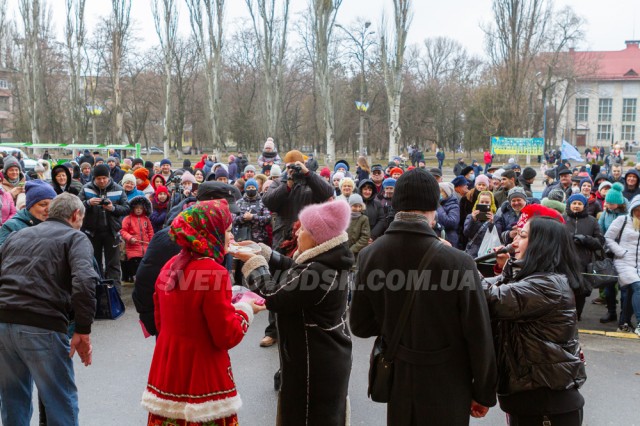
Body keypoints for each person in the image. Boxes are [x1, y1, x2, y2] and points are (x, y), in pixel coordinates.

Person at [350, 169, 497, 425]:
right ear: (433, 206)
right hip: (448, 383)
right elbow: (478, 334)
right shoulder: (458, 261)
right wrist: (484, 391)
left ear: (396, 205)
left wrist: (395, 322)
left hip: (399, 378)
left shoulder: (369, 255)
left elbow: (361, 326)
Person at [141, 200, 264, 425]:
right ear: (211, 232)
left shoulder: (170, 265)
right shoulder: (214, 272)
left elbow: (160, 320)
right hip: (203, 374)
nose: (231, 237)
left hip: (167, 369)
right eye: (227, 230)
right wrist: (246, 309)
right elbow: (226, 335)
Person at [234, 199, 354, 425]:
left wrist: (256, 263)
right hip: (325, 357)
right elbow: (295, 272)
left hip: (315, 364)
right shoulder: (329, 261)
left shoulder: (319, 269)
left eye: (305, 229)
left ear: (318, 237)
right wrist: (266, 254)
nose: (298, 233)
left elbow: (274, 296)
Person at [0, 192, 98, 425]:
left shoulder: (17, 235)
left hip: (4, 321)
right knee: (59, 400)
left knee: (13, 399)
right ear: (76, 215)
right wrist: (83, 329)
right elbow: (85, 282)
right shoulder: (75, 238)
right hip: (42, 324)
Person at [485, 212, 586, 425]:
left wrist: (457, 262)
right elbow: (493, 285)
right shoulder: (528, 277)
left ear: (542, 244)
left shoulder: (548, 285)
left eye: (522, 235)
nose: (514, 241)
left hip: (546, 406)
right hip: (528, 402)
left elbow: (491, 298)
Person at [133, 182, 242, 337]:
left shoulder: (218, 236)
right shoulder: (169, 237)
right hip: (178, 334)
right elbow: (145, 287)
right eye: (224, 212)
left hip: (208, 331)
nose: (228, 218)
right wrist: (160, 328)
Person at [78, 164, 130, 294]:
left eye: (104, 178)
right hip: (91, 232)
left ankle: (115, 294)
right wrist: (88, 203)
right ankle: (97, 292)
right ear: (94, 178)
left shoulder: (118, 189)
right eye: (98, 178)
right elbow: (77, 206)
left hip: (111, 232)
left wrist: (112, 208)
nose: (101, 181)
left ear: (109, 177)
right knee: (95, 263)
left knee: (113, 265)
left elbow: (126, 208)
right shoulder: (86, 189)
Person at [563, 193, 604, 320]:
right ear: (569, 205)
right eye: (574, 203)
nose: (576, 206)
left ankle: (577, 315)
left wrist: (585, 239)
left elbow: (600, 242)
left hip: (583, 263)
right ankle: (564, 316)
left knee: (580, 292)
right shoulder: (562, 219)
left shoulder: (592, 221)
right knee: (564, 290)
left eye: (579, 204)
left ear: (584, 206)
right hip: (564, 261)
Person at [604, 194, 640, 335]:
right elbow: (608, 237)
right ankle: (639, 322)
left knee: (631, 292)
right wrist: (621, 252)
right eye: (637, 209)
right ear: (632, 209)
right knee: (638, 287)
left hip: (638, 264)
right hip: (623, 262)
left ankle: (623, 322)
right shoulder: (623, 220)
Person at [0, 180, 57, 246]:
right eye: (43, 204)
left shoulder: (58, 225)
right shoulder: (11, 227)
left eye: (53, 204)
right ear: (30, 206)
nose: (49, 209)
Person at [120, 196, 154, 283]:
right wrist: (130, 238)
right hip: (133, 248)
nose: (138, 210)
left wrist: (152, 242)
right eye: (136, 208)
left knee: (144, 265)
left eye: (141, 208)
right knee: (134, 266)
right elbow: (123, 231)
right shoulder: (127, 219)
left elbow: (150, 231)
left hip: (145, 247)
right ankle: (136, 279)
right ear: (132, 208)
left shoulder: (146, 219)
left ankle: (142, 280)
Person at [463, 191, 497, 258]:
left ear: (491, 204)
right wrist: (473, 220)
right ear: (478, 203)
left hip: (488, 251)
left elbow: (496, 236)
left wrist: (491, 223)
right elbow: (466, 233)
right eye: (481, 202)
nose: (484, 204)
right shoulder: (470, 216)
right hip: (472, 253)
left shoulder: (496, 218)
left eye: (487, 202)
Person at [437, 182, 461, 247]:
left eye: (440, 191)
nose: (437, 194)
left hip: (449, 239)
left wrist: (439, 207)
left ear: (447, 193)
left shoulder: (454, 206)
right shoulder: (437, 203)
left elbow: (452, 222)